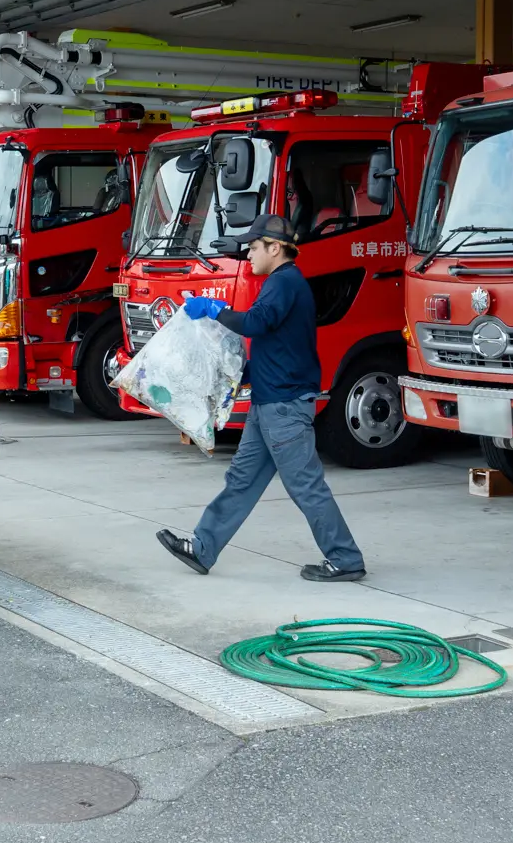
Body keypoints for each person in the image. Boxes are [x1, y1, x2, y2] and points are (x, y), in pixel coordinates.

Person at [155, 214, 366, 582]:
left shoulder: (283, 282)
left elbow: (255, 323)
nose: (248, 254)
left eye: (253, 247)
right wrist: (243, 372)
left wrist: (215, 309)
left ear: (275, 248)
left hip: (283, 407)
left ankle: (345, 558)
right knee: (241, 480)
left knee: (305, 485)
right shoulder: (283, 283)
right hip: (269, 403)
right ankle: (203, 548)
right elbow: (281, 345)